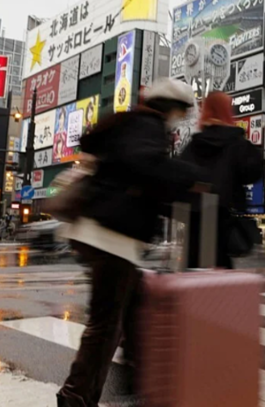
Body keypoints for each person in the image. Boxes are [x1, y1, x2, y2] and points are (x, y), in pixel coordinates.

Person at [57, 78, 206, 407]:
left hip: (100, 232)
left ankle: (138, 382)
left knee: (134, 305)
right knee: (105, 326)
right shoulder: (146, 127)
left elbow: (142, 180)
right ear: (169, 107)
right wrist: (188, 177)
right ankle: (75, 397)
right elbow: (145, 167)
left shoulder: (133, 124)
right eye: (180, 111)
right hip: (110, 237)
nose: (180, 119)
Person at [178, 91, 262, 269]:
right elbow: (253, 172)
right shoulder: (236, 143)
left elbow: (179, 178)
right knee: (220, 278)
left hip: (195, 225)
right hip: (224, 223)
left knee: (193, 277)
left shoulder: (193, 145)